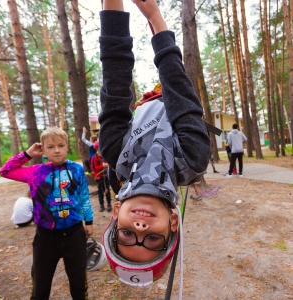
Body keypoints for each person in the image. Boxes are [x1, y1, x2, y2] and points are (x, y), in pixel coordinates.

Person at [98, 0, 210, 283]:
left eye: (127, 234)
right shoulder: (191, 158)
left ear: (115, 214)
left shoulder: (114, 151)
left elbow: (115, 78)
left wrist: (112, 5)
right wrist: (155, 17)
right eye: (151, 239)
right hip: (169, 86)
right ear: (173, 222)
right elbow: (176, 81)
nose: (139, 227)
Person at [0, 127, 94, 299]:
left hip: (74, 234)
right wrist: (27, 155)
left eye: (61, 145)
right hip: (45, 238)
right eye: (50, 147)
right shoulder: (35, 172)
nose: (56, 150)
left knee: (79, 285)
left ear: (67, 147)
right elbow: (5, 171)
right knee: (40, 286)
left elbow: (84, 196)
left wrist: (89, 221)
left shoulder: (77, 170)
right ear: (42, 149)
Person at [91, 139, 112, 212]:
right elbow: (94, 167)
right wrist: (102, 166)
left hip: (106, 176)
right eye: (98, 149)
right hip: (99, 178)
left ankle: (109, 204)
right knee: (100, 192)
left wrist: (107, 165)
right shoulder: (94, 158)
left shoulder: (105, 156)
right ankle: (101, 204)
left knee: (107, 190)